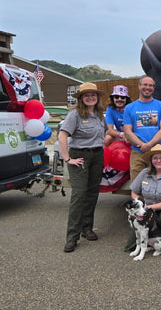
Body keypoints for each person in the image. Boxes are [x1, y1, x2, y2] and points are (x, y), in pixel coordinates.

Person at [58, 82, 107, 253]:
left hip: (97, 156)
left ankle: (87, 228)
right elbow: (62, 135)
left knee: (92, 193)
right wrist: (67, 158)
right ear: (80, 98)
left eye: (93, 95)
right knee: (79, 195)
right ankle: (72, 237)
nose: (90, 97)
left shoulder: (100, 115)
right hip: (80, 155)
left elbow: (105, 135)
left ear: (97, 97)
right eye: (86, 95)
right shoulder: (75, 115)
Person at [123, 76, 161, 182]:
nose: (148, 87)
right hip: (137, 152)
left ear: (154, 88)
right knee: (137, 185)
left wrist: (149, 145)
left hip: (157, 152)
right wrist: (141, 145)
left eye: (151, 85)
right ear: (139, 86)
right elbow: (128, 131)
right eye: (145, 84)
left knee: (158, 184)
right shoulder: (129, 108)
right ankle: (138, 200)